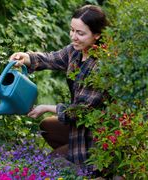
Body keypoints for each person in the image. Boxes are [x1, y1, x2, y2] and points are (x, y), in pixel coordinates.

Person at [9, 4, 108, 168]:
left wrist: (46, 107)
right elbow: (50, 58)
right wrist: (25, 57)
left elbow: (80, 111)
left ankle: (91, 168)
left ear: (97, 35)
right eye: (72, 30)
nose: (73, 37)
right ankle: (73, 157)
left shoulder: (101, 66)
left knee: (52, 164)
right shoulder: (75, 51)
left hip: (96, 134)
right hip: (79, 128)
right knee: (47, 126)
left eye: (80, 33)